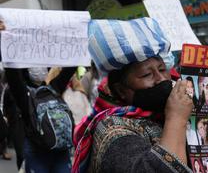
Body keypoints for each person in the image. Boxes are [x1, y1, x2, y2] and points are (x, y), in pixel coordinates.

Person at [72, 18, 193, 172]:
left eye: (162, 70)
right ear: (122, 90)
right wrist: (177, 118)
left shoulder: (170, 113)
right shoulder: (111, 128)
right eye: (146, 74)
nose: (161, 79)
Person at [0, 21, 75, 173]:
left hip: (61, 152)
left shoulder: (54, 88)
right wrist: (3, 39)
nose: (38, 68)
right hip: (37, 153)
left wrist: (75, 35)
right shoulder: (23, 94)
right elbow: (12, 72)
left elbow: (71, 66)